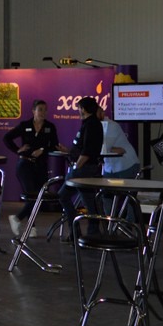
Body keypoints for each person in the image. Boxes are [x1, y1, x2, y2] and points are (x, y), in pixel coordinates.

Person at [4, 100, 62, 236]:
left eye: (45, 110)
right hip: (25, 164)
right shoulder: (25, 125)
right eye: (40, 109)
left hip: (41, 165)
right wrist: (17, 150)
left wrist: (43, 150)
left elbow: (54, 145)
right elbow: (7, 138)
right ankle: (31, 227)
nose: (43, 112)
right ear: (33, 111)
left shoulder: (50, 127)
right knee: (31, 195)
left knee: (39, 196)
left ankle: (18, 219)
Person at [56, 96, 103, 238]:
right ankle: (90, 232)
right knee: (88, 201)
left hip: (84, 169)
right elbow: (82, 147)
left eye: (79, 108)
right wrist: (68, 151)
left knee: (63, 196)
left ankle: (78, 231)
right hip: (85, 167)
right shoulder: (89, 123)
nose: (78, 111)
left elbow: (87, 151)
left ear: (84, 109)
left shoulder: (91, 125)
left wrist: (76, 167)